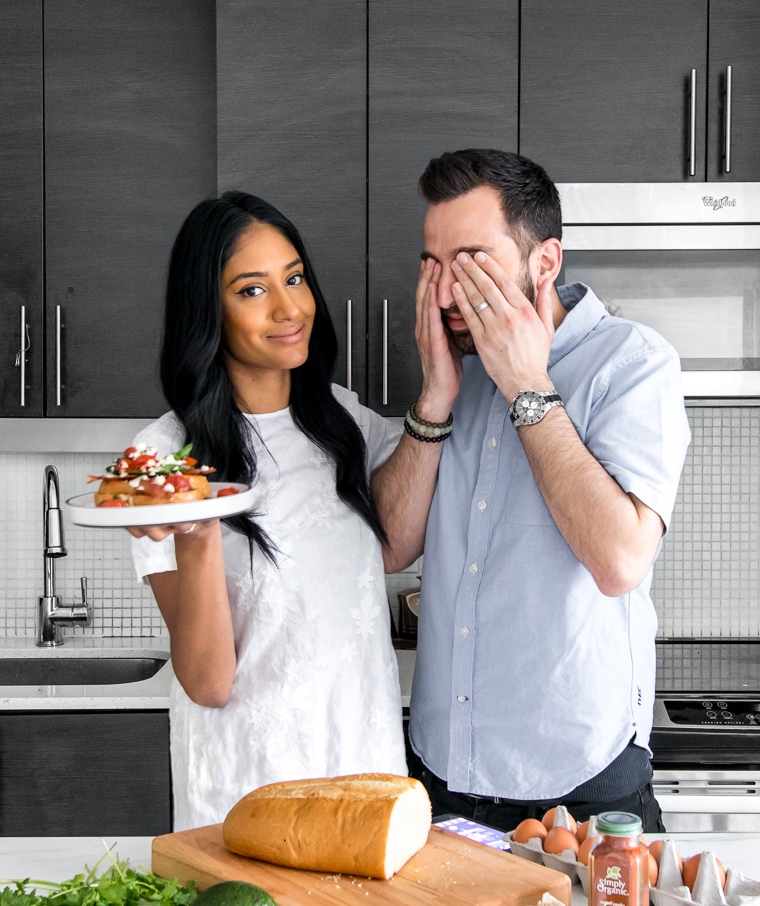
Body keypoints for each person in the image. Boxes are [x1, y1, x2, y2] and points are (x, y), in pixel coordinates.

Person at [372, 149, 691, 833]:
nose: (448, 293)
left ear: (543, 263)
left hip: (581, 791)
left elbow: (620, 561)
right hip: (441, 779)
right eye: (434, 264)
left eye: (471, 262)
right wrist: (433, 396)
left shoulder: (632, 364)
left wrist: (527, 388)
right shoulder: (455, 374)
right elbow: (392, 548)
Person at [127, 190, 407, 830]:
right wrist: (197, 528)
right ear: (208, 311)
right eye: (252, 290)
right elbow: (208, 683)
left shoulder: (347, 425)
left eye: (295, 279)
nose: (289, 308)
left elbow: (407, 536)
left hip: (364, 783)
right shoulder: (161, 460)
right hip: (244, 797)